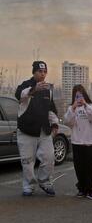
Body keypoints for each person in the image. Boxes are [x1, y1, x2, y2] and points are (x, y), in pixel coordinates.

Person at [15, 61, 59, 196]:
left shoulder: (48, 89)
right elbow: (19, 95)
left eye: (45, 71)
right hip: (26, 130)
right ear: (34, 72)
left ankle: (45, 182)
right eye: (40, 71)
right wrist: (34, 89)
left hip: (43, 130)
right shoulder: (26, 85)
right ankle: (28, 185)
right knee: (27, 160)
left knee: (49, 157)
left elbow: (51, 109)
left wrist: (55, 124)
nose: (43, 74)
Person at [64, 84, 92, 199]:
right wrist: (73, 108)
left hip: (91, 142)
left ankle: (91, 188)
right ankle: (82, 188)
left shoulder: (91, 106)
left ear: (84, 95)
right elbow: (67, 121)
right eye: (76, 96)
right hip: (77, 142)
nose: (79, 98)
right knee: (80, 167)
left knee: (91, 167)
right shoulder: (72, 108)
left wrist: (85, 105)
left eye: (81, 95)